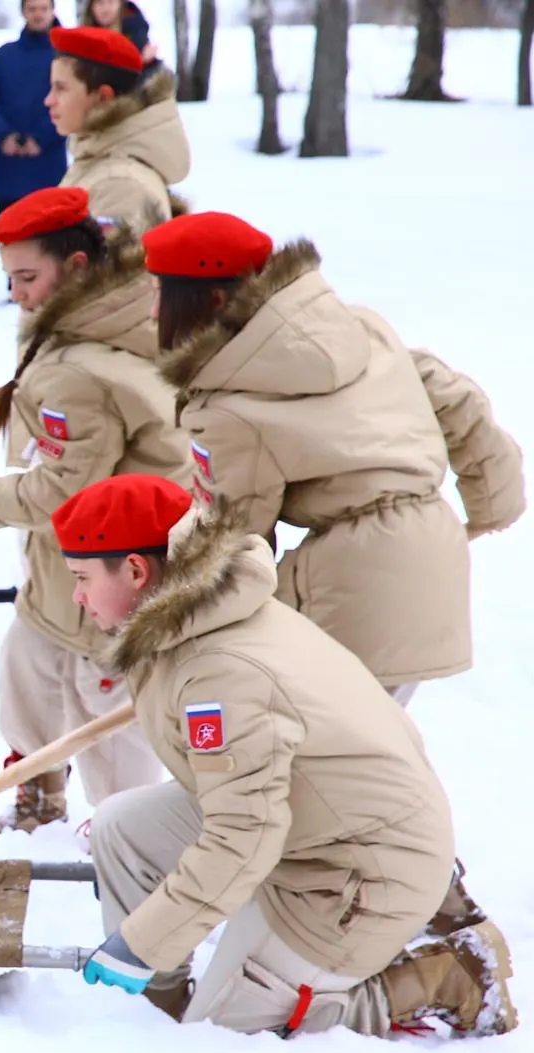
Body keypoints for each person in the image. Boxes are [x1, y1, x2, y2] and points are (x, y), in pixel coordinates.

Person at [58, 475, 515, 1038]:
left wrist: (141, 939)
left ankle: (446, 976)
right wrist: (149, 951)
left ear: (135, 570)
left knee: (229, 1035)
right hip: (306, 825)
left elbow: (243, 833)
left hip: (358, 871)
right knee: (122, 827)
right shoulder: (197, 613)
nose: (76, 596)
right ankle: (162, 1010)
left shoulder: (219, 669)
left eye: (82, 578)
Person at [143, 211, 526, 705]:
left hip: (354, 589)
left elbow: (230, 536)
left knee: (333, 768)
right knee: (375, 758)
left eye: (158, 294)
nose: (152, 314)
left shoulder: (229, 407)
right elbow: (454, 398)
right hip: (432, 553)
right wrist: (494, 501)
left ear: (211, 299)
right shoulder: (358, 328)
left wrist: (172, 624)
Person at [0, 187, 188, 834]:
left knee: (109, 728)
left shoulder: (79, 366)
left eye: (27, 277)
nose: (16, 293)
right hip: (68, 568)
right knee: (29, 673)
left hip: (111, 570)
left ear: (76, 267)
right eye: (10, 279)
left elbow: (63, 492)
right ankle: (38, 794)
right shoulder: (111, 312)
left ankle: (128, 841)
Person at [45, 27, 187, 233]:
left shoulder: (119, 185)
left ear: (103, 98)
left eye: (61, 88)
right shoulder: (98, 160)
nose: (49, 100)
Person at [0, 0, 66, 215]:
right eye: (32, 9)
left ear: (52, 11)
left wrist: (41, 139)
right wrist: (4, 135)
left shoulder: (63, 57)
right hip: (10, 169)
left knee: (51, 241)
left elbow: (69, 101)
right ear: (23, 12)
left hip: (49, 167)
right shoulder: (5, 55)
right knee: (12, 241)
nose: (38, 15)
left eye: (43, 9)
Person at [80, 0, 160, 69]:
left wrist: (143, 62)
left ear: (120, 4)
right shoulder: (84, 38)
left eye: (110, 2)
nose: (105, 9)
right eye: (99, 2)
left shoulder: (135, 33)